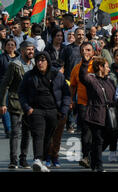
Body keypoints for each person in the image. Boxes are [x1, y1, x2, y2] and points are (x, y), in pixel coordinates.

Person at [18, 51, 71, 172]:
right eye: (38, 61)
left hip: (53, 111)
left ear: (48, 61)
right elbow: (21, 93)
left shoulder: (57, 75)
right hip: (36, 110)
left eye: (43, 60)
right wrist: (27, 108)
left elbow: (67, 94)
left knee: (49, 137)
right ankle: (37, 159)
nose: (40, 63)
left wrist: (63, 110)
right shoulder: (29, 75)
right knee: (38, 134)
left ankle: (42, 160)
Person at [78, 55, 116, 172]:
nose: (109, 69)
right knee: (98, 140)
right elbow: (82, 77)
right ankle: (99, 166)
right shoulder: (91, 79)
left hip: (109, 115)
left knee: (109, 138)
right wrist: (85, 62)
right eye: (107, 67)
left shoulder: (110, 81)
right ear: (100, 67)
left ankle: (91, 156)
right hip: (95, 114)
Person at [0, 40, 34, 169]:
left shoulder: (36, 64)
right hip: (16, 102)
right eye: (28, 49)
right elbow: (5, 84)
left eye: (32, 49)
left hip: (30, 104)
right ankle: (13, 160)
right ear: (23, 50)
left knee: (27, 133)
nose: (31, 52)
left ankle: (23, 159)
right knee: (15, 132)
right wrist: (2, 103)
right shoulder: (14, 64)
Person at [70, 41, 95, 169]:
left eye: (89, 50)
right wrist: (71, 101)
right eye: (84, 50)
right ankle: (86, 156)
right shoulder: (77, 67)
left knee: (97, 132)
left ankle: (94, 155)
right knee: (86, 132)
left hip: (98, 104)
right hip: (83, 103)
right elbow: (72, 86)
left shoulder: (98, 65)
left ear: (93, 52)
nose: (86, 52)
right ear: (80, 52)